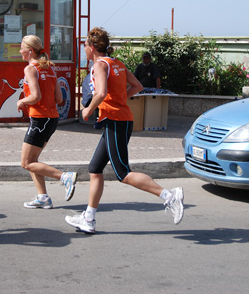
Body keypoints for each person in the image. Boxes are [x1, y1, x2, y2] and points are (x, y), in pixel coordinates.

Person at [65, 28, 183, 234]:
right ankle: (89, 218)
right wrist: (119, 99)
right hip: (120, 119)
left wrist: (88, 110)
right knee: (95, 168)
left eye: (84, 46)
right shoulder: (116, 63)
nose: (83, 50)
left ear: (91, 48)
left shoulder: (100, 65)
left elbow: (100, 92)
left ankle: (170, 196)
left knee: (123, 173)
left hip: (116, 120)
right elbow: (137, 86)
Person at [17, 35, 76, 209]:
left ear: (30, 51)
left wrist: (22, 101)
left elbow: (35, 96)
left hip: (40, 119)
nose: (19, 51)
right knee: (33, 160)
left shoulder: (30, 69)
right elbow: (59, 99)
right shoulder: (50, 68)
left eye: (21, 48)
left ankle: (64, 176)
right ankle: (43, 197)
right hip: (51, 119)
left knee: (26, 162)